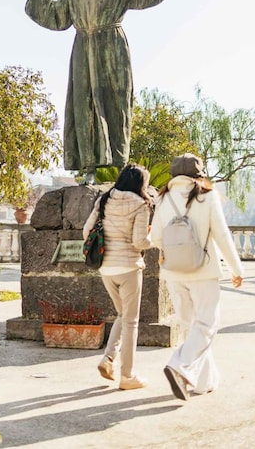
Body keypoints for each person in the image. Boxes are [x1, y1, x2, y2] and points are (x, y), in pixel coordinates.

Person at [11, 0, 183, 183]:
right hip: (83, 48)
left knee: (117, 105)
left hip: (112, 46)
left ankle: (121, 168)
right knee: (84, 105)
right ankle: (88, 168)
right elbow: (59, 16)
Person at [150, 153, 244, 401]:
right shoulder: (207, 196)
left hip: (173, 271)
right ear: (199, 174)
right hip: (203, 270)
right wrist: (236, 269)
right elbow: (222, 235)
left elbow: (156, 238)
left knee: (191, 326)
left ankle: (204, 381)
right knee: (206, 325)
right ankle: (180, 365)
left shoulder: (163, 199)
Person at [82, 163, 152, 390]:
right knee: (131, 321)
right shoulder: (141, 204)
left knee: (123, 315)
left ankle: (108, 359)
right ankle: (128, 376)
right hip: (129, 267)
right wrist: (154, 240)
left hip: (106, 268)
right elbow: (139, 242)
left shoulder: (104, 199)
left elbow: (86, 232)